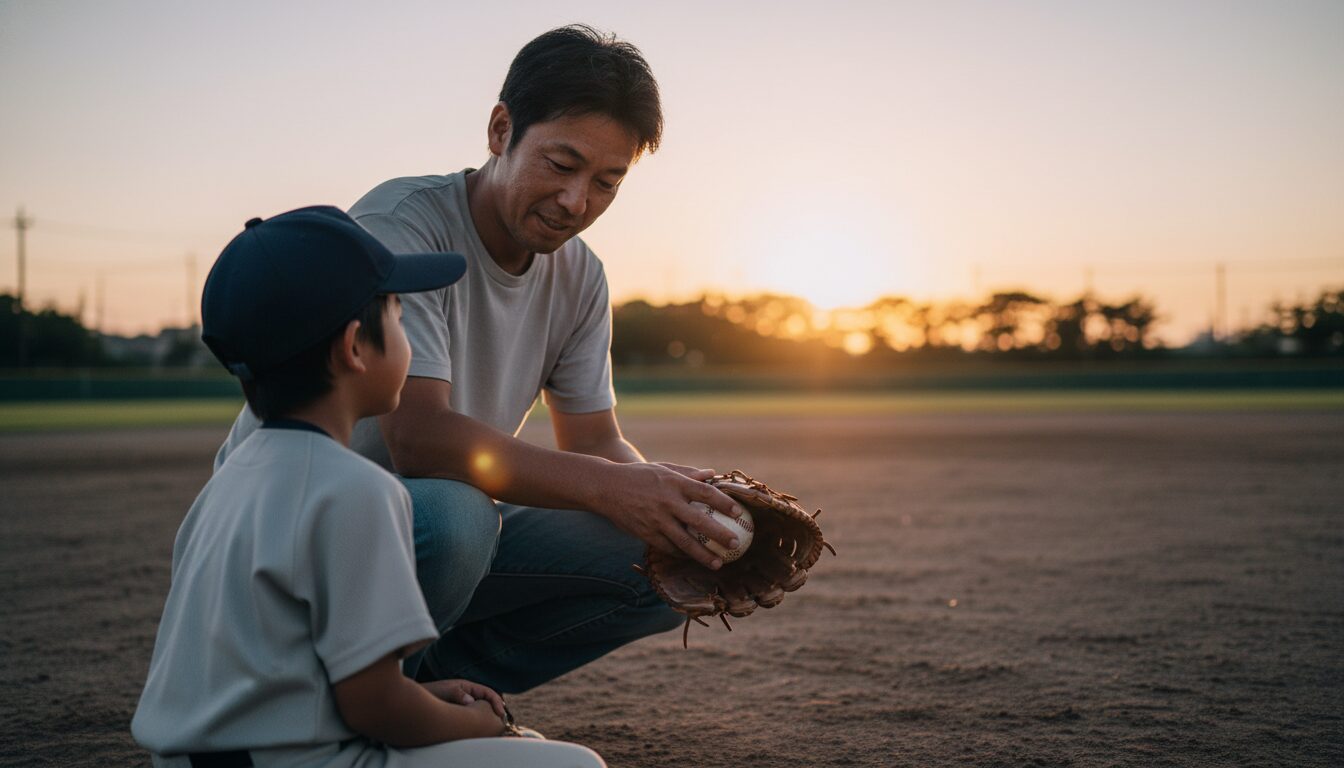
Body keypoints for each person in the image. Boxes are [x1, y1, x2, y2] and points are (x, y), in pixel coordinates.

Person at [213, 24, 745, 693]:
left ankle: (434, 699)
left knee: (654, 561)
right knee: (459, 514)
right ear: (500, 130)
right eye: (561, 164)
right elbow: (420, 441)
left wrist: (675, 509)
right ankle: (350, 712)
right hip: (294, 528)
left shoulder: (580, 275)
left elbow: (595, 441)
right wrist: (618, 490)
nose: (577, 202)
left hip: (417, 530)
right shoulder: (402, 228)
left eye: (608, 181)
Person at [132, 207, 606, 767]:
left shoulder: (229, 479)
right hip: (306, 762)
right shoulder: (357, 488)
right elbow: (376, 709)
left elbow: (291, 679)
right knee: (572, 765)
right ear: (356, 348)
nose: (411, 338)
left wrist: (426, 696)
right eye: (401, 317)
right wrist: (470, 723)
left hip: (196, 757)